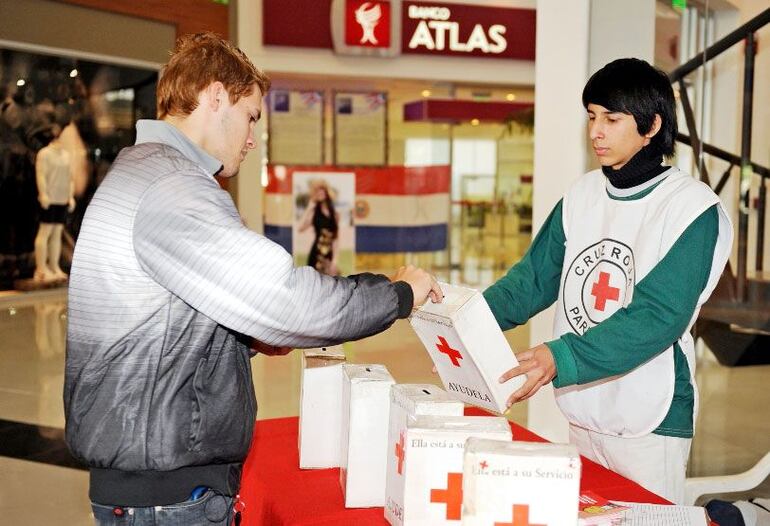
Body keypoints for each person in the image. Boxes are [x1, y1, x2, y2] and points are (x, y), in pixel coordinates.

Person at [64, 32, 442, 525]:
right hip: (167, 498)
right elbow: (289, 302)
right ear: (216, 96)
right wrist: (398, 295)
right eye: (250, 117)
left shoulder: (143, 172)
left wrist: (242, 340)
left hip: (150, 485)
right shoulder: (173, 187)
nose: (251, 138)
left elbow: (156, 327)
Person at [484, 58, 732, 503]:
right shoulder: (582, 195)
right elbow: (532, 281)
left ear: (651, 124)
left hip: (650, 418)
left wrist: (559, 356)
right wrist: (466, 320)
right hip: (582, 409)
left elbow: (659, 316)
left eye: (612, 119)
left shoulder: (692, 209)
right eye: (592, 117)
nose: (596, 131)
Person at [33, 121, 75, 282]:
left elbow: (70, 178)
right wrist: (43, 194)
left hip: (62, 199)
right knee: (45, 232)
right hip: (49, 199)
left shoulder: (66, 155)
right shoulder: (44, 154)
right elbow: (41, 175)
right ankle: (41, 268)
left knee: (57, 232)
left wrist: (70, 197)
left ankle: (54, 266)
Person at [298, 179, 339, 275]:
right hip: (316, 253)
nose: (320, 194)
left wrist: (335, 260)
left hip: (329, 254)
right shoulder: (314, 212)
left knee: (329, 284)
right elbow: (300, 228)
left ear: (326, 193)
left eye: (322, 191)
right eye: (318, 192)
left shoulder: (335, 214)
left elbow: (336, 239)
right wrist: (308, 208)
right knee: (315, 283)